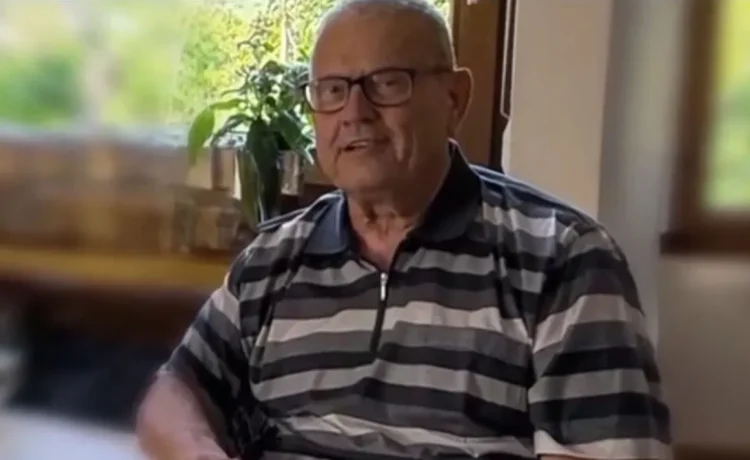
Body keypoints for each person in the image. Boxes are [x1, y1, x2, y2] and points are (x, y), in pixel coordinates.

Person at [136, 0, 671, 459]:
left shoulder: (564, 258)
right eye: (332, 90)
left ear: (454, 99)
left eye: (387, 83)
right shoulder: (272, 258)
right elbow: (177, 389)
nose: (355, 112)